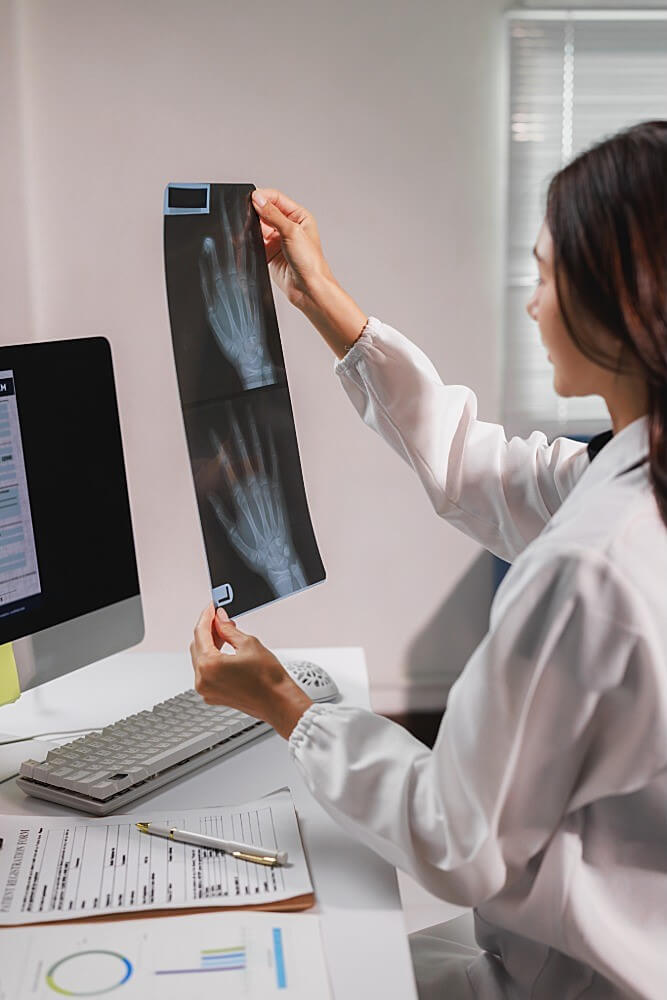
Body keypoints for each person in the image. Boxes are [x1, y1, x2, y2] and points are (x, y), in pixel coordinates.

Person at [189, 121, 667, 998]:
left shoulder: (593, 568)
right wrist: (322, 300)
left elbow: (456, 838)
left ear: (619, 301)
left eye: (545, 276)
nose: (532, 305)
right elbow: (478, 468)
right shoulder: (632, 474)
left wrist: (287, 706)